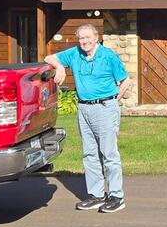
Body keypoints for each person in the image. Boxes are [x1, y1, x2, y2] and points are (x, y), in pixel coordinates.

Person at [46, 23, 129, 213]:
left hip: (105, 107)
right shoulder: (75, 53)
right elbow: (49, 57)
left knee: (109, 154)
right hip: (84, 108)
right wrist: (59, 67)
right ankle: (97, 195)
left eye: (87, 38)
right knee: (90, 153)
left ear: (96, 37)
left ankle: (116, 196)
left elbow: (125, 80)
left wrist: (114, 101)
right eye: (81, 38)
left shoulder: (108, 56)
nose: (84, 42)